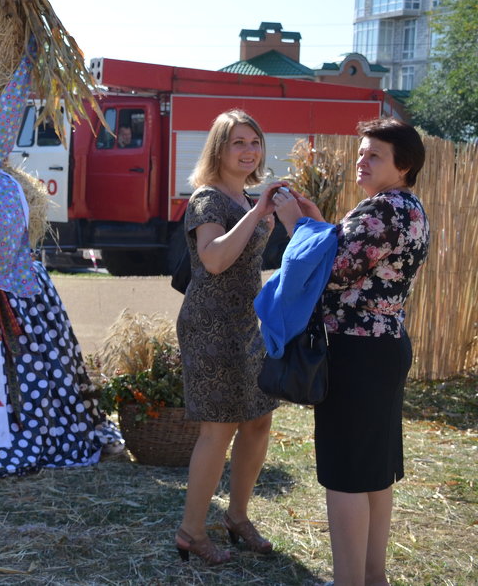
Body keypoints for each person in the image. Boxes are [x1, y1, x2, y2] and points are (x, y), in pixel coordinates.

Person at [272, 118, 428, 586]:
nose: (363, 159)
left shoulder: (381, 210)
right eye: (362, 152)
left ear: (404, 164)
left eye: (375, 154)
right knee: (374, 473)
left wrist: (296, 226)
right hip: (383, 348)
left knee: (344, 476)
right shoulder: (410, 208)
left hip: (356, 353)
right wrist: (321, 223)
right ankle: (371, 577)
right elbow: (354, 262)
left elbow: (328, 273)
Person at [173, 110, 294, 564]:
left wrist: (288, 212)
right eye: (238, 143)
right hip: (209, 323)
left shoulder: (246, 198)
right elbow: (214, 260)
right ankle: (190, 531)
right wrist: (259, 211)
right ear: (219, 150)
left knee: (259, 420)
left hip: (246, 321)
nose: (248, 151)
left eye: (255, 142)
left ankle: (238, 517)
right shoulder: (208, 199)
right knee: (218, 429)